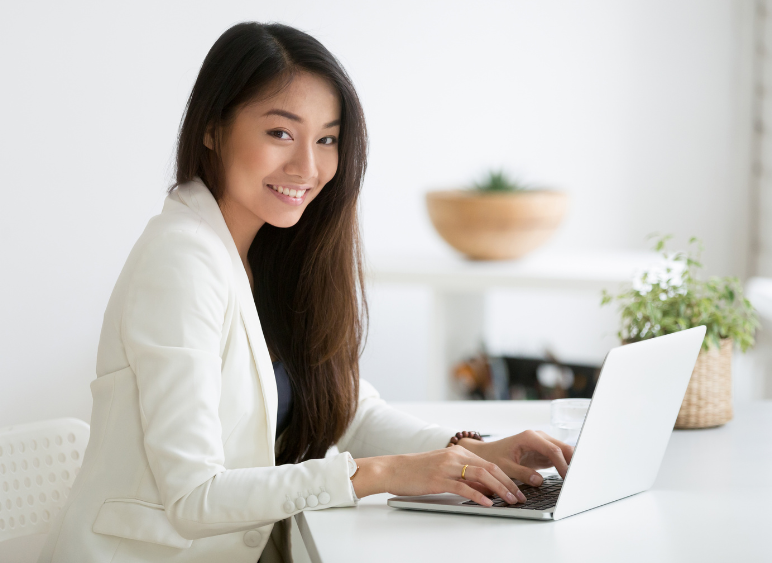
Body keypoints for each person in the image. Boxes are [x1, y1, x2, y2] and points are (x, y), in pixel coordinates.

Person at [37, 21, 574, 563]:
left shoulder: (268, 251)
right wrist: (382, 473)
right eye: (280, 133)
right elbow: (192, 496)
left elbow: (346, 413)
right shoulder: (181, 260)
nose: (308, 168)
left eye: (327, 139)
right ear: (212, 128)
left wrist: (464, 449)